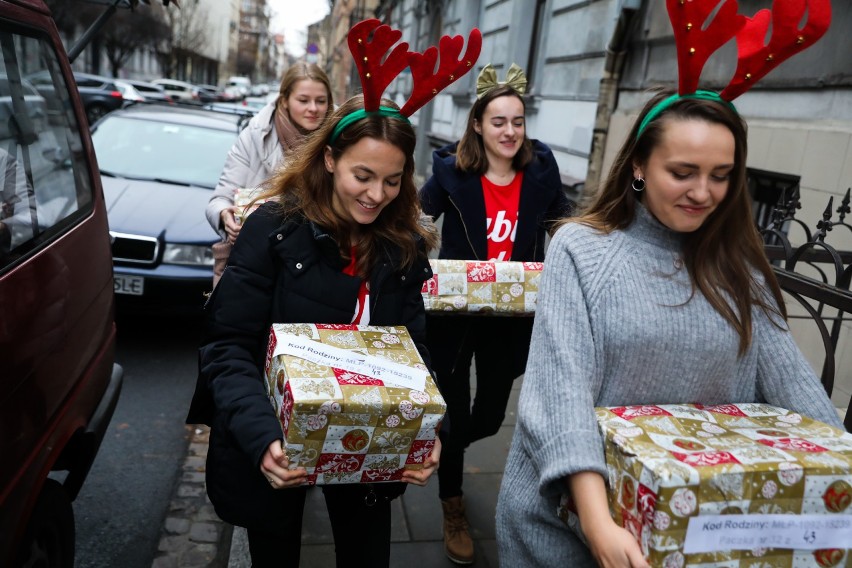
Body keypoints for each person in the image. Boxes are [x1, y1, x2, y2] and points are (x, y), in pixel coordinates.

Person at [494, 88, 845, 567]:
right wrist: (598, 523)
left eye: (721, 176)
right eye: (682, 173)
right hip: (570, 525)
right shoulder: (580, 249)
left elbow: (798, 390)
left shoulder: (743, 269)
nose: (703, 193)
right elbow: (561, 394)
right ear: (639, 164)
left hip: (696, 534)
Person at [188, 94, 442, 568]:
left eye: (392, 180)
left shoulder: (400, 244)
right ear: (329, 158)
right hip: (275, 443)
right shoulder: (275, 229)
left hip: (370, 442)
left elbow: (413, 348)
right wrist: (263, 437)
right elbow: (227, 346)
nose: (376, 195)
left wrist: (427, 430)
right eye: (362, 176)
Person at [418, 63, 573, 565]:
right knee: (456, 408)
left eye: (518, 121)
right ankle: (452, 504)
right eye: (499, 121)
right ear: (478, 126)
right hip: (456, 315)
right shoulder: (450, 170)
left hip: (511, 317)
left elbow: (564, 225)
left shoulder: (541, 170)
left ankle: (440, 442)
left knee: (486, 416)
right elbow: (417, 221)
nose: (509, 131)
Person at [205, 63, 332, 285]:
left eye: (321, 101)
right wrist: (226, 217)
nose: (313, 108)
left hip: (318, 266)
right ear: (284, 100)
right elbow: (220, 199)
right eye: (303, 100)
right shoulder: (254, 136)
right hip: (256, 261)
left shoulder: (341, 138)